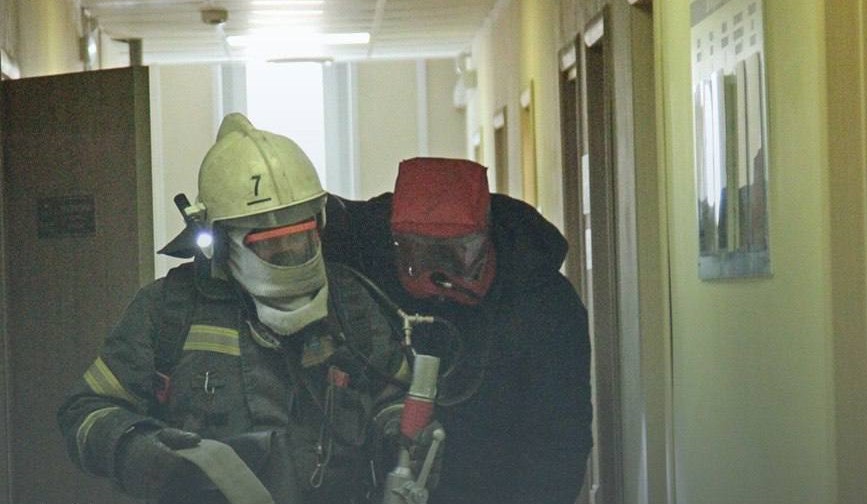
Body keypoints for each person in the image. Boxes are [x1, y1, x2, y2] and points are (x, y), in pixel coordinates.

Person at [57, 113, 409, 504]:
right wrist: (135, 449)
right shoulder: (168, 310)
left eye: (299, 236)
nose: (287, 251)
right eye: (268, 241)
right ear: (222, 240)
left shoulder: (351, 304)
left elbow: (395, 395)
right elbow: (85, 410)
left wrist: (399, 429)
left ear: (319, 223)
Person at [323, 156, 593, 504]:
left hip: (497, 488)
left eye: (457, 252)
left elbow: (559, 438)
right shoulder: (364, 270)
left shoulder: (542, 303)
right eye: (419, 252)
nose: (440, 271)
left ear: (486, 238)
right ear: (395, 241)